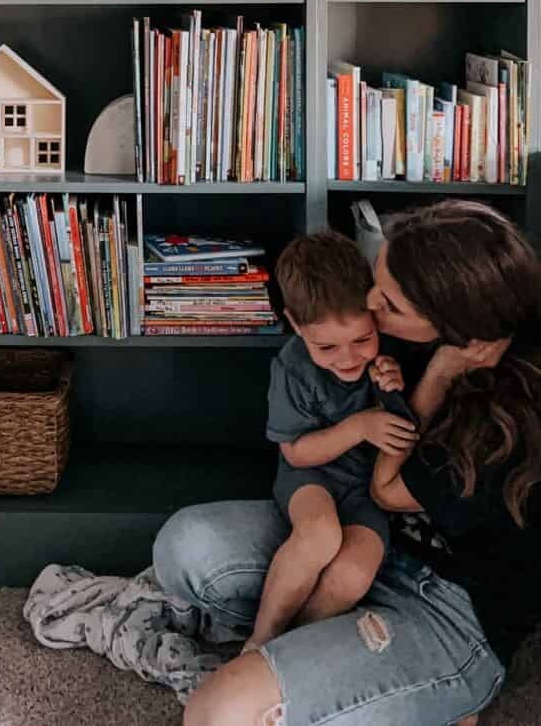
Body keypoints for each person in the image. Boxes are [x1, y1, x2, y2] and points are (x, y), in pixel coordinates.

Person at [154, 200, 541, 726]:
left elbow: (387, 488)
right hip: (362, 529)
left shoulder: (509, 415)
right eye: (377, 280)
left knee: (219, 712)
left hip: (445, 599)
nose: (370, 302)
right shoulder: (395, 335)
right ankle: (341, 663)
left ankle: (433, 685)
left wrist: (438, 376)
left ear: (450, 321)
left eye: (391, 303)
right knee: (183, 546)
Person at [246, 232, 416, 652]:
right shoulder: (293, 367)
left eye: (362, 339)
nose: (348, 357)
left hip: (369, 493)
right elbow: (296, 451)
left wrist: (395, 387)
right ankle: (261, 639)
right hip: (311, 475)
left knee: (354, 574)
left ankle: (293, 647)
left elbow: (411, 425)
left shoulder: (389, 353)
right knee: (320, 537)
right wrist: (360, 426)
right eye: (327, 346)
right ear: (295, 325)